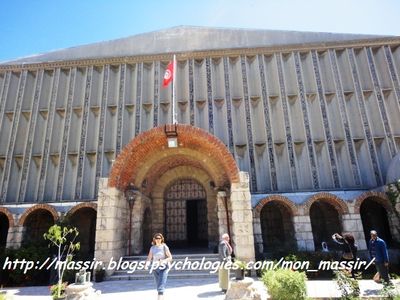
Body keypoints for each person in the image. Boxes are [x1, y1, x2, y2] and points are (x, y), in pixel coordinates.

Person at [146, 233, 173, 300]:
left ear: (161, 239)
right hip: (155, 268)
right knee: (159, 285)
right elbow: (149, 258)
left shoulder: (164, 246)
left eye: (159, 238)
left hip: (163, 268)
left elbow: (170, 257)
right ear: (154, 239)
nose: (158, 240)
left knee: (160, 287)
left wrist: (163, 261)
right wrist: (147, 264)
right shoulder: (152, 248)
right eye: (157, 238)